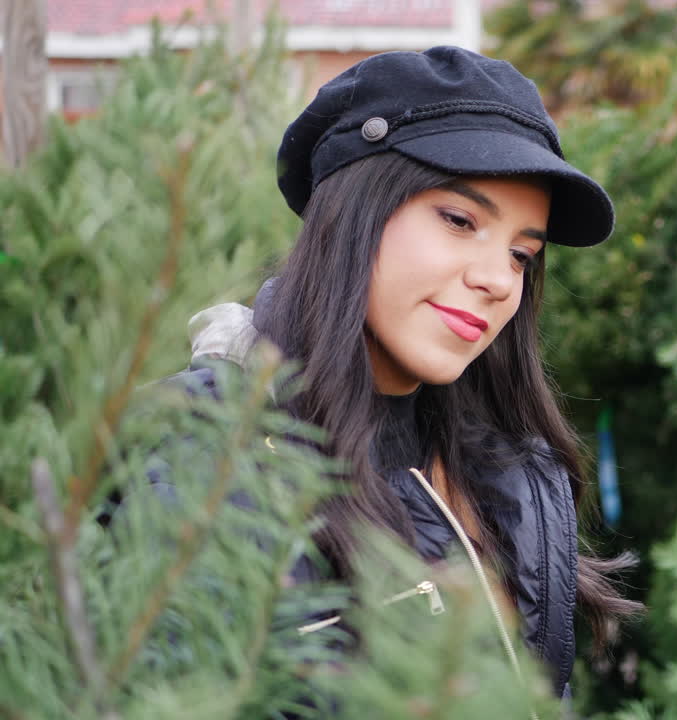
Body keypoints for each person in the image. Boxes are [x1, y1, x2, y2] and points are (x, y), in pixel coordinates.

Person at [172, 46, 641, 702]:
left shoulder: (513, 474)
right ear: (353, 211)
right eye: (459, 220)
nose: (496, 279)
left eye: (521, 254)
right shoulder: (207, 452)